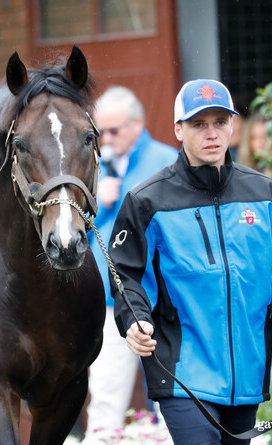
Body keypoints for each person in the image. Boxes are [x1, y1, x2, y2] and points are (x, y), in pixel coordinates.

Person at [108, 79, 272, 444]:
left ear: (232, 126)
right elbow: (125, 275)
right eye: (198, 124)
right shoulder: (146, 201)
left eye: (220, 122)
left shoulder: (267, 195)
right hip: (181, 374)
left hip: (247, 376)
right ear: (178, 129)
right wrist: (135, 320)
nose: (212, 133)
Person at [83, 86, 178, 442]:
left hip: (158, 300)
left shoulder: (165, 161)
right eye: (100, 132)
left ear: (137, 124)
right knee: (106, 393)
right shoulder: (94, 166)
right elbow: (83, 238)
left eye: (113, 131)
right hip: (110, 301)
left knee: (170, 396)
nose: (106, 139)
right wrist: (100, 204)